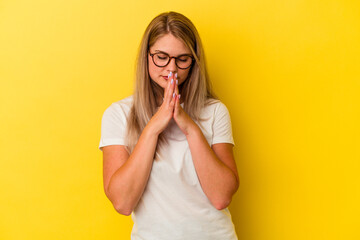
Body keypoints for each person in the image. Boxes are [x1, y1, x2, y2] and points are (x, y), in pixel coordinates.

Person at [99, 11, 239, 240]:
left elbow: (221, 196)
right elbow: (122, 203)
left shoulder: (214, 111)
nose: (172, 69)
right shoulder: (118, 115)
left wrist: (189, 126)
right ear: (147, 56)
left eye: (182, 59)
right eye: (162, 57)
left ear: (194, 62)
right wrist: (154, 127)